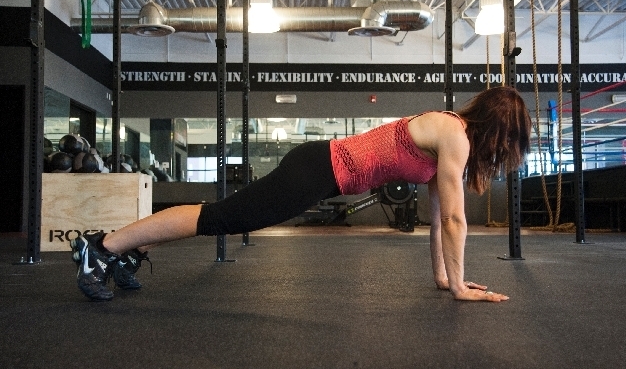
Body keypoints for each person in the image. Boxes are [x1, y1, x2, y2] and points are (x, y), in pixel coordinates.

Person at [71, 86, 531, 303]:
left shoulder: (450, 136)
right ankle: (103, 247)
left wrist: (446, 280)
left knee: (221, 216)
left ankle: (123, 250)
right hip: (318, 168)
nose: (504, 154)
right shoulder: (455, 135)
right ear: (501, 133)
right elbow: (454, 219)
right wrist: (459, 288)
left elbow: (438, 217)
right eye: (510, 144)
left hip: (321, 169)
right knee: (218, 218)